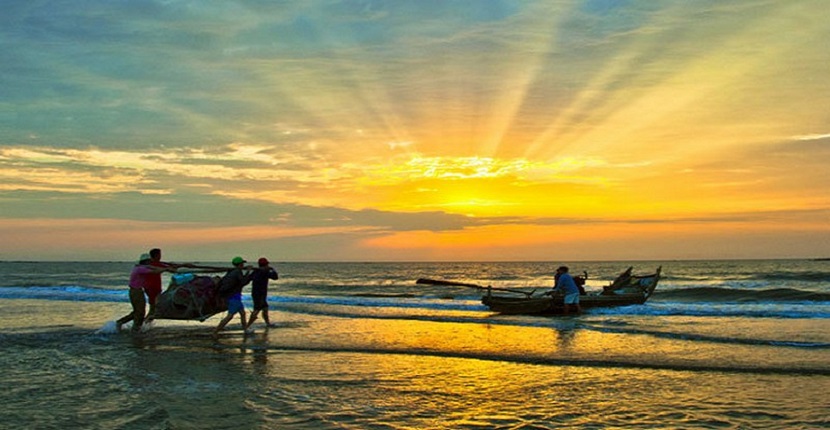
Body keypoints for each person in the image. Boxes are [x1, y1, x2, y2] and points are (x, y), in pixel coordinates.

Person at [116, 253, 174, 332]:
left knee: (138, 311)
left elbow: (154, 267)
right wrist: (166, 269)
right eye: (149, 261)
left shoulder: (141, 267)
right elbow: (155, 271)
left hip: (138, 291)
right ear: (146, 261)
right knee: (140, 312)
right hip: (135, 292)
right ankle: (132, 327)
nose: (150, 262)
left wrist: (168, 268)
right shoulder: (140, 269)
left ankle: (127, 324)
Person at [145, 248, 192, 321]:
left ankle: (145, 325)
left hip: (155, 288)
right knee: (153, 309)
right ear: (156, 255)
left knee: (154, 309)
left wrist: (184, 265)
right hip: (152, 289)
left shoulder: (157, 264)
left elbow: (171, 267)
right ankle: (143, 325)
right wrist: (181, 266)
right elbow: (170, 268)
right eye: (159, 254)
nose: (160, 256)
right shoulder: (153, 265)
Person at [214, 256, 253, 336]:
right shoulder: (237, 272)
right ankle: (215, 332)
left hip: (233, 296)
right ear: (240, 264)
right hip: (233, 297)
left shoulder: (232, 272)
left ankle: (245, 330)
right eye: (242, 263)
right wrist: (248, 272)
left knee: (242, 313)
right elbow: (244, 282)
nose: (243, 265)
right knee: (230, 316)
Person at [246, 257, 279, 329]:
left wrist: (248, 271)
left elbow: (248, 279)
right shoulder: (265, 272)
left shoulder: (256, 271)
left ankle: (267, 323)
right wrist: (272, 270)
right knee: (257, 309)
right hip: (260, 294)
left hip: (256, 293)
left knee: (265, 308)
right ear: (266, 265)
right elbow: (275, 277)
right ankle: (247, 326)